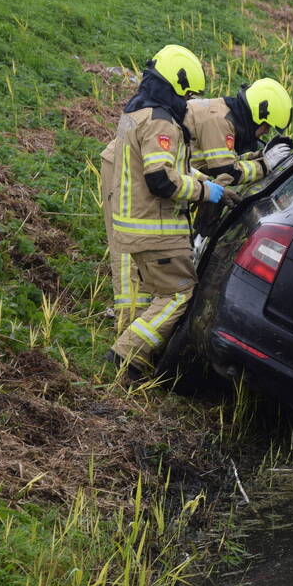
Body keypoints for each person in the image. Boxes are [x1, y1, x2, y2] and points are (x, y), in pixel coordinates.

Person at [102, 44, 238, 378]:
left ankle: (128, 341)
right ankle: (127, 356)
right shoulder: (162, 123)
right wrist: (208, 191)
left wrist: (201, 181)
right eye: (187, 93)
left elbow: (169, 168)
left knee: (150, 292)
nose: (188, 102)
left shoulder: (138, 112)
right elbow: (162, 180)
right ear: (174, 86)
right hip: (156, 227)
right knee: (179, 293)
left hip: (133, 223)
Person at [184, 78, 293, 237]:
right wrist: (265, 164)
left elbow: (227, 160)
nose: (266, 132)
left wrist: (259, 155)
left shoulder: (225, 114)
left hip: (176, 175)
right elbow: (227, 171)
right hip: (163, 185)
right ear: (258, 116)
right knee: (220, 186)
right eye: (267, 126)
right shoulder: (220, 121)